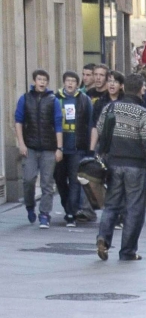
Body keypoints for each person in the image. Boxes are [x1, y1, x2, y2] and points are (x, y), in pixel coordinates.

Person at [94, 73, 146, 261]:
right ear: (141, 89)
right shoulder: (143, 113)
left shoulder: (110, 107)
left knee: (111, 205)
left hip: (113, 163)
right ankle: (127, 251)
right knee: (134, 209)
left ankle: (103, 238)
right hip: (135, 165)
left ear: (124, 87)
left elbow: (100, 131)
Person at [15, 69, 63, 228]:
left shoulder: (53, 100)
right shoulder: (25, 99)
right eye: (39, 79)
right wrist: (21, 143)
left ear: (47, 83)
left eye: (44, 79)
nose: (42, 82)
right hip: (30, 146)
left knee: (47, 183)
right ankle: (30, 205)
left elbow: (58, 125)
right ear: (34, 81)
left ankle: (44, 214)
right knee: (28, 179)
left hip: (49, 147)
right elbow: (18, 122)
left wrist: (59, 148)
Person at [54, 71, 93, 227]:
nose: (70, 84)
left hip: (77, 147)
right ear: (64, 82)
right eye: (67, 81)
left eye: (73, 81)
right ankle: (67, 205)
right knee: (59, 179)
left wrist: (89, 147)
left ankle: (71, 212)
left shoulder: (84, 100)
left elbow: (90, 124)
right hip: (59, 148)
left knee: (75, 181)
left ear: (78, 84)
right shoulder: (55, 99)